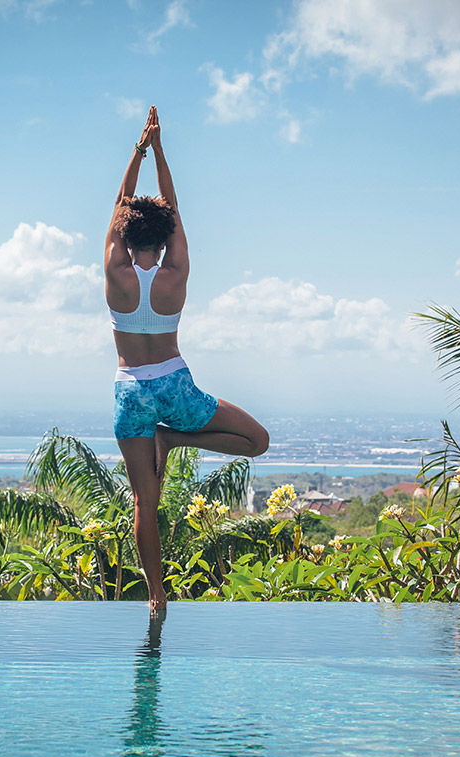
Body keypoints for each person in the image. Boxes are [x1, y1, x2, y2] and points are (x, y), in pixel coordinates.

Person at [105, 106, 269, 615]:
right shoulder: (176, 271)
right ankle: (172, 436)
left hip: (130, 389)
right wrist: (162, 151)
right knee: (257, 442)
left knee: (143, 504)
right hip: (175, 388)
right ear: (165, 236)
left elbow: (117, 207)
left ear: (127, 237)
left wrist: (138, 150)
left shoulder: (116, 271)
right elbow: (171, 207)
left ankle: (156, 596)